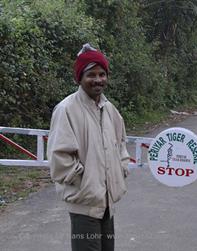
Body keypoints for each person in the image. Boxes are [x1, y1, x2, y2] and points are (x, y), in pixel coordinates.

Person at [47, 43, 130, 251]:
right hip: (84, 205)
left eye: (102, 74)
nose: (98, 80)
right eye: (91, 74)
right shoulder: (67, 109)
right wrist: (85, 182)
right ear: (80, 77)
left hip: (107, 204)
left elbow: (120, 143)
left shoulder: (109, 109)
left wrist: (120, 169)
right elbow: (59, 156)